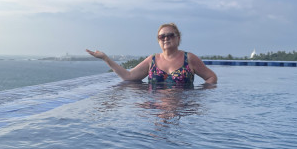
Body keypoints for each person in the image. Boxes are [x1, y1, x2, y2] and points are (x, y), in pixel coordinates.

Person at [86, 23, 217, 85]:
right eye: (162, 36)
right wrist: (105, 58)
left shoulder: (189, 59)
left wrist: (198, 96)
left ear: (178, 38)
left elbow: (211, 77)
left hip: (182, 111)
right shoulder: (152, 60)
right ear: (158, 41)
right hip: (157, 110)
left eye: (170, 35)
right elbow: (128, 76)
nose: (166, 38)